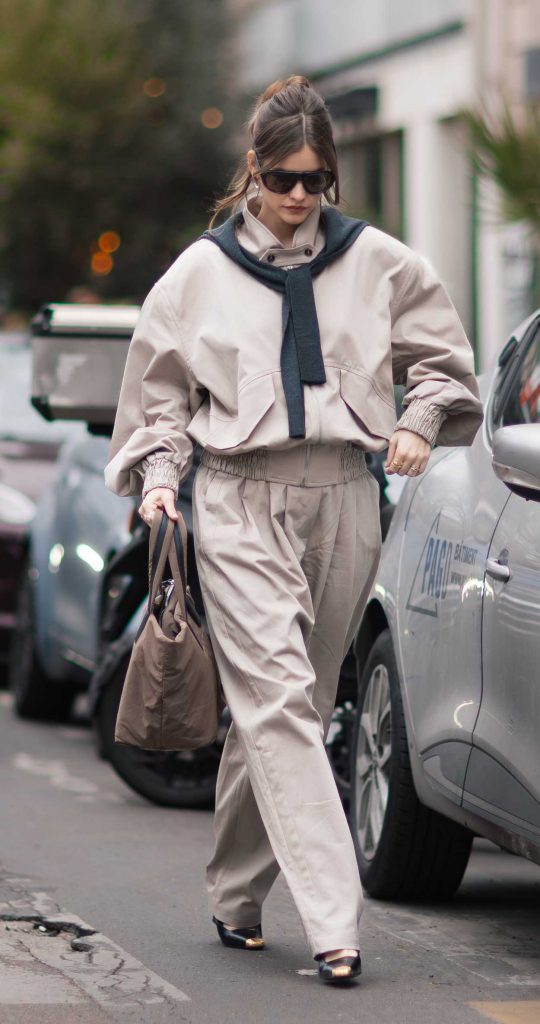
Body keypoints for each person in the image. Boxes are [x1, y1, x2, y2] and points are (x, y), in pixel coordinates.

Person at [104, 75, 483, 985]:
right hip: (237, 500)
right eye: (283, 179)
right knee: (277, 703)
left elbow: (446, 364)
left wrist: (418, 421)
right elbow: (160, 401)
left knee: (296, 710)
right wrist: (159, 483)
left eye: (317, 179)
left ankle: (236, 893)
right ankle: (335, 922)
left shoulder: (381, 263)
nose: (300, 196)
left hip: (346, 497)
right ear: (254, 169)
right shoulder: (198, 275)